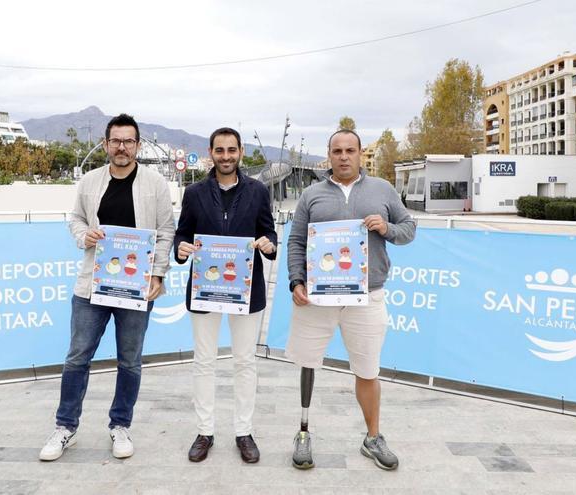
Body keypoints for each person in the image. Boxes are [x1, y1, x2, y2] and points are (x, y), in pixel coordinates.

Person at [39, 113, 175, 461]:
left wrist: (157, 275)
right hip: (92, 287)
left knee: (129, 361)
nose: (122, 147)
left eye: (129, 141)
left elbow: (165, 232)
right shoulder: (89, 181)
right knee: (77, 357)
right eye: (116, 140)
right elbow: (76, 219)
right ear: (105, 144)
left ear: (138, 145)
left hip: (136, 287)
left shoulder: (155, 184)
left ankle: (120, 426)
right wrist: (86, 235)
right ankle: (65, 426)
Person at [286, 129, 416, 470]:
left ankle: (372, 437)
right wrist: (296, 280)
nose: (344, 156)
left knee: (368, 370)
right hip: (318, 298)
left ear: (360, 154)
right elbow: (296, 241)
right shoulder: (311, 195)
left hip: (367, 296)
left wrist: (386, 228)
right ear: (329, 154)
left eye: (350, 150)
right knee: (308, 362)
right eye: (337, 150)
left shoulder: (382, 190)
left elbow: (409, 229)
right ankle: (303, 432)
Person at [174, 127, 277, 464]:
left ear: (241, 152)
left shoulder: (259, 191)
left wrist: (268, 245)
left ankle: (243, 432)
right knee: (204, 362)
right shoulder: (194, 192)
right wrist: (182, 250)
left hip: (246, 291)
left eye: (232, 150)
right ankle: (205, 431)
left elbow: (270, 233)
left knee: (245, 362)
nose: (226, 156)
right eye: (220, 150)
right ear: (211, 153)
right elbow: (181, 235)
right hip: (206, 289)